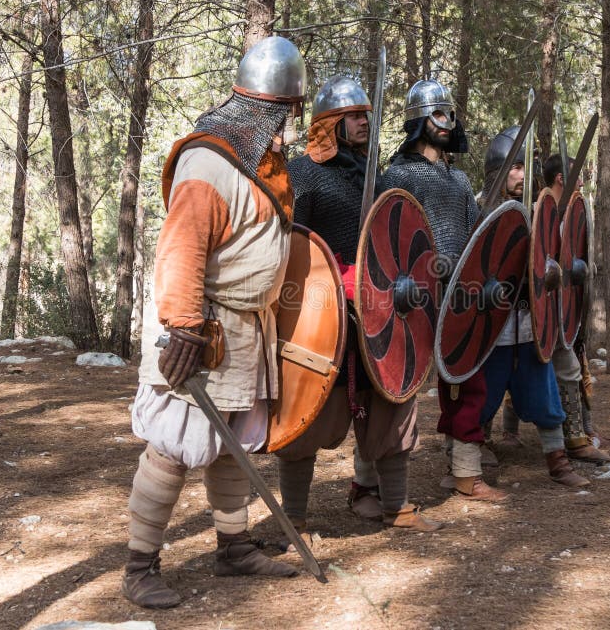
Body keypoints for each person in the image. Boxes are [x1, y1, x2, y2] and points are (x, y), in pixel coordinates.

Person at [121, 36, 307, 609]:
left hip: (248, 328)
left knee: (233, 447)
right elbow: (181, 248)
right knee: (173, 445)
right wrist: (182, 326)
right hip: (205, 327)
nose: (293, 125)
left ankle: (233, 548)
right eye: (290, 112)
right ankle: (139, 565)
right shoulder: (209, 162)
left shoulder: (262, 163)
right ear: (270, 109)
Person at [276, 75, 442, 535]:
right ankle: (294, 518)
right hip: (320, 315)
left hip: (381, 311)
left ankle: (396, 506)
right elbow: (291, 249)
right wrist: (327, 288)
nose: (363, 122)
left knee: (392, 400)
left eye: (366, 115)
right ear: (329, 124)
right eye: (353, 116)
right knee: (305, 411)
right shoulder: (303, 175)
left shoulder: (379, 178)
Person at [383, 79, 509, 502]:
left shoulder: (458, 180)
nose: (446, 122)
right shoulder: (399, 175)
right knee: (395, 390)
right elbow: (386, 234)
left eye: (449, 114)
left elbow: (474, 235)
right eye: (437, 114)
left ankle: (464, 473)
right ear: (419, 120)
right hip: (413, 295)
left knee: (465, 380)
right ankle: (370, 483)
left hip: (459, 294)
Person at [478, 128, 597, 487]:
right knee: (483, 393)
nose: (520, 175)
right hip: (490, 321)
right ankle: (477, 443)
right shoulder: (477, 206)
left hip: (530, 320)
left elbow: (550, 258)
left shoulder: (538, 211)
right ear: (497, 170)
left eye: (524, 167)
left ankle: (558, 461)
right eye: (513, 167)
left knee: (544, 393)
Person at [542, 154, 610, 460]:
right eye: (577, 177)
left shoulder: (566, 219)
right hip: (539, 313)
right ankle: (570, 438)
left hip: (561, 314)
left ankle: (576, 436)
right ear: (562, 179)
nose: (581, 182)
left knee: (570, 367)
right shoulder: (540, 217)